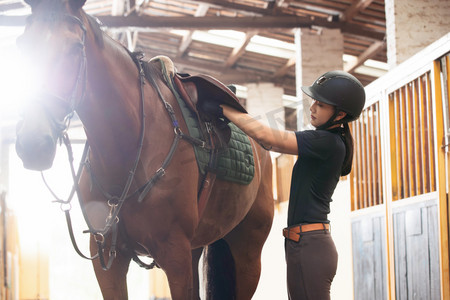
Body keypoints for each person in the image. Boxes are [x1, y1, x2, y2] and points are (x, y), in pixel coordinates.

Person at [200, 70, 365, 300]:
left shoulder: (327, 142)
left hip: (310, 247)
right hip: (303, 244)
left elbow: (268, 137)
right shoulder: (327, 141)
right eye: (314, 101)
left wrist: (225, 108)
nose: (313, 107)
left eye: (322, 105)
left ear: (340, 115)